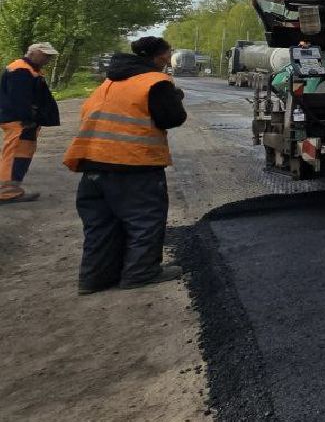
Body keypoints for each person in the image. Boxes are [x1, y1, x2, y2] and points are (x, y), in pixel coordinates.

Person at [63, 36, 188, 294]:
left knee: (101, 225)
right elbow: (172, 118)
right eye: (168, 53)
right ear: (159, 56)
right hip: (133, 163)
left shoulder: (109, 81)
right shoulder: (155, 81)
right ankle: (141, 273)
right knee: (144, 220)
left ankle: (94, 279)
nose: (168, 59)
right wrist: (175, 98)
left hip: (93, 162)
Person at [1, 41, 62, 204]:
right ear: (33, 53)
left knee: (21, 154)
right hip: (19, 121)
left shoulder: (29, 69)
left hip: (23, 120)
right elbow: (19, 98)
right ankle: (5, 192)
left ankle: (12, 189)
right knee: (15, 154)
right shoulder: (21, 69)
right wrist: (27, 118)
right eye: (46, 55)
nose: (48, 59)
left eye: (49, 56)